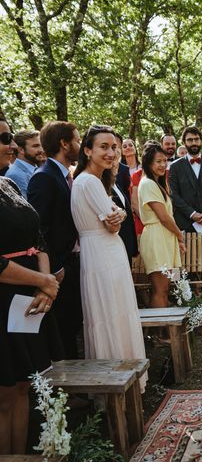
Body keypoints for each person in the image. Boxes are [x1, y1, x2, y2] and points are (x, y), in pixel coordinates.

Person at [70, 126, 147, 390]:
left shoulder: (91, 180)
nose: (112, 152)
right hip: (103, 255)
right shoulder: (89, 181)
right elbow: (113, 223)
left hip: (102, 253)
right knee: (112, 315)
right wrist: (119, 216)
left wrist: (121, 214)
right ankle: (117, 378)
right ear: (88, 150)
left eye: (114, 147)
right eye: (104, 147)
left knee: (113, 314)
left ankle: (122, 376)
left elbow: (118, 213)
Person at [0, 176, 63, 454]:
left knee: (25, 384)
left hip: (29, 299)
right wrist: (42, 281)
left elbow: (39, 240)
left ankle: (21, 459)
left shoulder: (8, 184)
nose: (11, 144)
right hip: (2, 300)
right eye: (3, 138)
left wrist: (46, 284)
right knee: (4, 393)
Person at [28, 120, 83, 359]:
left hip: (72, 262)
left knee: (72, 324)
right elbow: (39, 229)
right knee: (63, 328)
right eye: (78, 140)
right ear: (64, 143)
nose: (80, 145)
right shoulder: (44, 177)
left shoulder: (65, 176)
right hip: (58, 267)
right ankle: (66, 391)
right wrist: (55, 267)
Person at [138, 141, 185, 308]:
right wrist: (180, 236)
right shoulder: (148, 184)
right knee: (160, 289)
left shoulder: (158, 183)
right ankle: (160, 332)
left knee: (167, 288)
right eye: (158, 161)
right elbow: (164, 217)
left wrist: (175, 239)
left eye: (164, 161)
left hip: (165, 237)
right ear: (148, 162)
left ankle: (164, 329)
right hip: (156, 237)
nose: (163, 165)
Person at [169, 126, 202, 233]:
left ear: (201, 141)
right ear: (184, 142)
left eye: (196, 139)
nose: (194, 143)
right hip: (184, 223)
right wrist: (192, 214)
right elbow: (174, 194)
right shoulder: (175, 166)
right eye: (189, 140)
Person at [111, 142, 138, 264]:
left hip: (125, 239)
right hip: (115, 240)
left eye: (117, 161)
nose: (117, 166)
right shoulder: (102, 185)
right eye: (113, 162)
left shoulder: (115, 184)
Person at [5, 130, 41, 197]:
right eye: (36, 146)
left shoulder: (36, 168)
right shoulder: (15, 175)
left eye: (41, 145)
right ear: (21, 150)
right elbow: (27, 206)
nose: (41, 149)